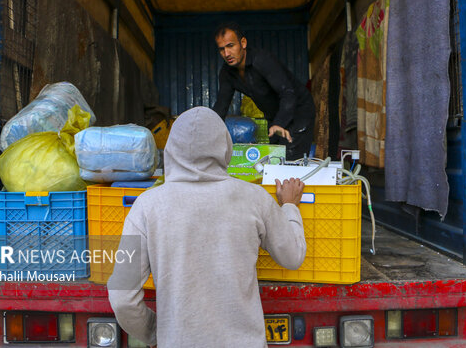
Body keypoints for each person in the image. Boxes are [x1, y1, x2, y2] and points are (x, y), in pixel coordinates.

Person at [108, 106, 307, 348]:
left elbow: (122, 298)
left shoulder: (146, 206)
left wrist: (155, 333)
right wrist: (289, 206)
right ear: (225, 146)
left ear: (171, 148)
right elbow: (293, 256)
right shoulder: (254, 197)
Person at [212, 22, 316, 160]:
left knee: (291, 160)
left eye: (230, 46)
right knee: (274, 160)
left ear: (243, 43)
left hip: (298, 111)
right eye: (221, 49)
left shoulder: (261, 60)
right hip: (274, 118)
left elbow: (288, 93)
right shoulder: (227, 73)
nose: (226, 53)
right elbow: (221, 106)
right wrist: (207, 131)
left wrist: (279, 123)